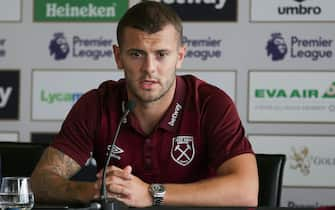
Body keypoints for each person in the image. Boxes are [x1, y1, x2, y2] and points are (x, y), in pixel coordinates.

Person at [31, 1, 258, 207]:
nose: (149, 68)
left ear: (180, 56)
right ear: (118, 57)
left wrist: (151, 194)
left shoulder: (210, 103)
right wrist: (95, 190)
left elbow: (246, 190)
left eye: (161, 54)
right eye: (137, 54)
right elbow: (40, 183)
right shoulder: (96, 104)